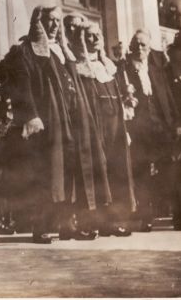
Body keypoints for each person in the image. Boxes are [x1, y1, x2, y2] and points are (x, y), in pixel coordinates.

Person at [2, 6, 108, 243]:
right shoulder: (26, 51)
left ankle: (67, 224)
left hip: (71, 118)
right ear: (37, 22)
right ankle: (41, 226)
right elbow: (22, 85)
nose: (53, 25)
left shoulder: (63, 50)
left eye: (57, 21)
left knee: (71, 170)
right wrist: (31, 115)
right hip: (48, 120)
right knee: (46, 173)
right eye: (49, 20)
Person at [72, 22, 136, 236]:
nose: (95, 39)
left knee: (116, 171)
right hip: (94, 127)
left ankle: (113, 221)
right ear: (82, 39)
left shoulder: (109, 67)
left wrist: (123, 129)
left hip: (115, 128)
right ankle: (90, 222)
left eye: (97, 34)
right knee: (96, 173)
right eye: (89, 36)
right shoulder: (80, 69)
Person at [123, 30, 181, 231]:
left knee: (169, 170)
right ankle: (146, 217)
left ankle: (178, 215)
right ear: (131, 47)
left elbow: (168, 99)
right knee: (142, 173)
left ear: (149, 49)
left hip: (161, 127)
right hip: (139, 129)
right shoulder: (124, 70)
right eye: (136, 45)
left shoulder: (156, 70)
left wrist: (176, 124)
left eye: (144, 46)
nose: (140, 49)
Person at [167, 32, 181, 230]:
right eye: (180, 51)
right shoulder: (166, 74)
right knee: (178, 174)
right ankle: (179, 216)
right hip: (176, 130)